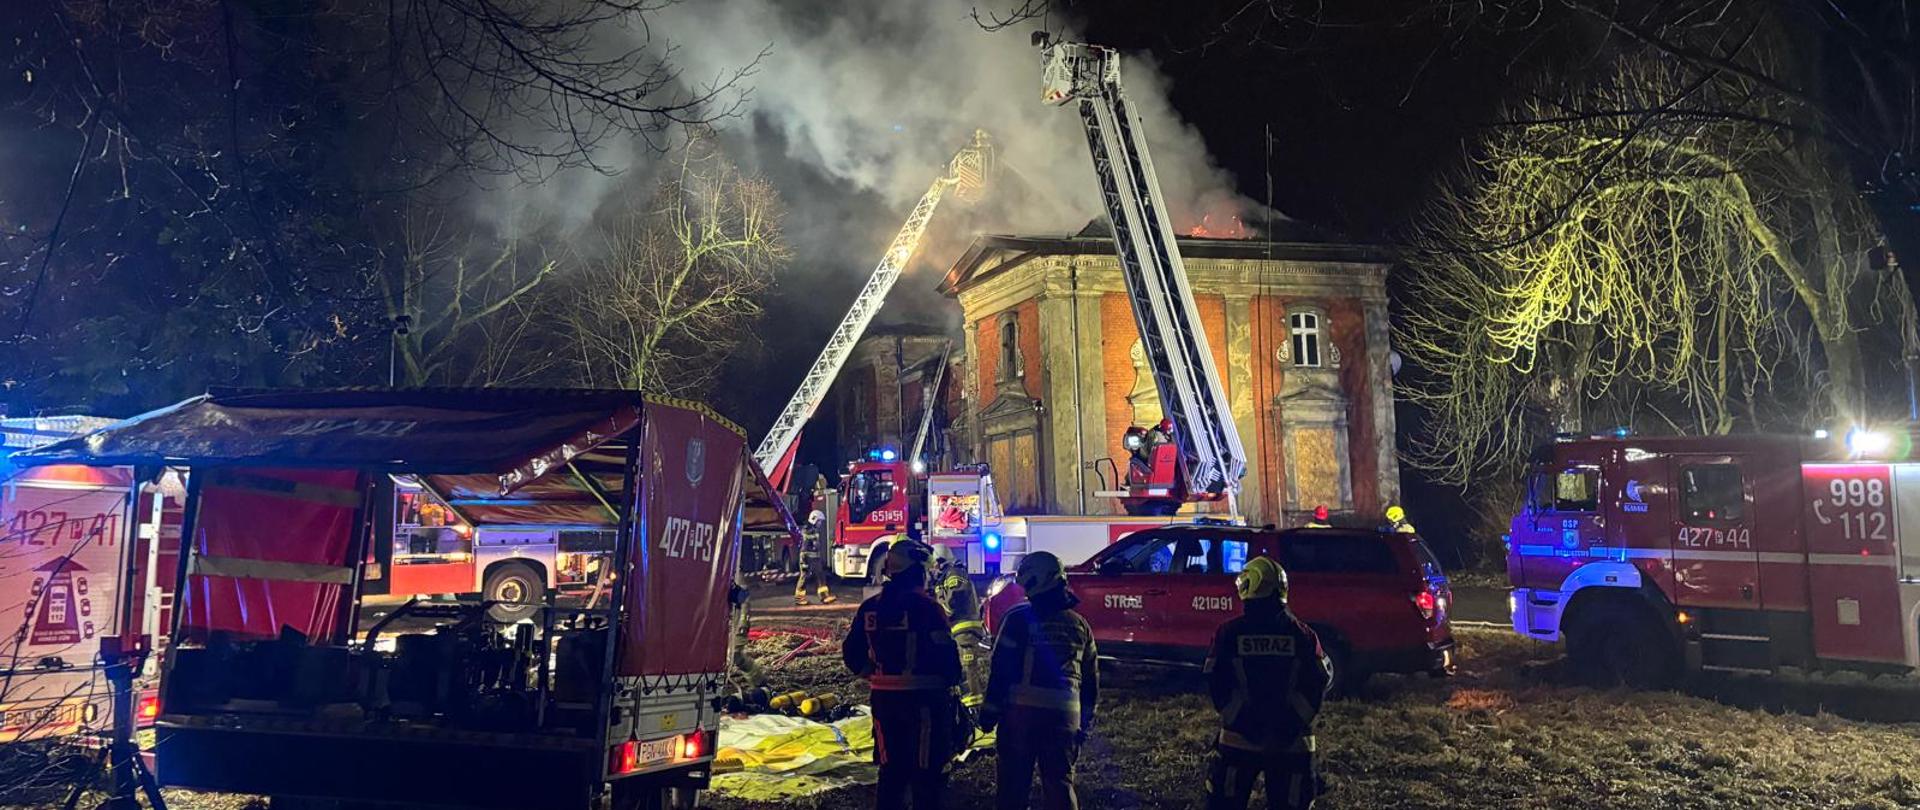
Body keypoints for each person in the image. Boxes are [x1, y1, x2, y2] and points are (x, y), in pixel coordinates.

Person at [842, 540, 963, 810]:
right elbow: (948, 661)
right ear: (916, 571)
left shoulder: (870, 608)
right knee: (926, 772)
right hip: (925, 703)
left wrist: (874, 675)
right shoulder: (929, 609)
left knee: (891, 771)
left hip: (884, 701)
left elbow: (851, 653)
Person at [1204, 556, 1331, 810]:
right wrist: (1289, 724)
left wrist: (1243, 720)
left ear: (1252, 585)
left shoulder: (1229, 633)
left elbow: (1215, 679)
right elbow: (1319, 680)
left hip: (1239, 739)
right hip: (1292, 744)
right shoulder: (1303, 635)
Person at [982, 551, 1098, 810]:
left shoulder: (1016, 619)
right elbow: (1090, 682)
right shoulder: (1080, 625)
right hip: (1064, 720)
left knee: (1013, 788)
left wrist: (989, 713)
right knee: (1060, 785)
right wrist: (1084, 723)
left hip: (1020, 718)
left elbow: (1001, 670)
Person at [931, 544, 986, 705]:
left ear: (940, 560)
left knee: (967, 668)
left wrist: (941, 612)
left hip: (965, 629)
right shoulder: (945, 576)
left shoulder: (954, 574)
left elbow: (955, 598)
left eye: (934, 564)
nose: (932, 568)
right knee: (961, 669)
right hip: (958, 630)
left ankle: (974, 707)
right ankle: (966, 704)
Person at [794, 510, 836, 606]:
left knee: (821, 576)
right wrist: (804, 562)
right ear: (814, 519)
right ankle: (799, 598)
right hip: (807, 558)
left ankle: (824, 597)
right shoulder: (807, 530)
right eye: (819, 521)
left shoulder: (814, 530)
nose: (820, 523)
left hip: (815, 559)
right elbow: (804, 548)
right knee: (804, 577)